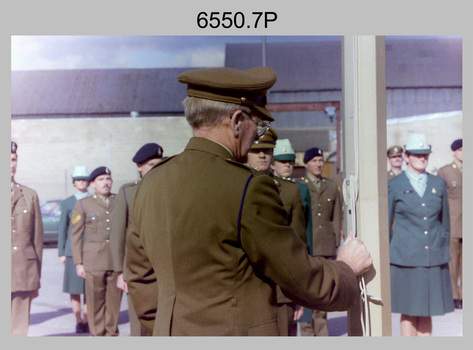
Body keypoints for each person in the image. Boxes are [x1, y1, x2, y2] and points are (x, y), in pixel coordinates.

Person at [126, 66, 372, 336]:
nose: (257, 134)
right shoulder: (248, 186)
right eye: (258, 123)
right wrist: (346, 268)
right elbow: (301, 279)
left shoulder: (151, 183)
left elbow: (140, 280)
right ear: (236, 120)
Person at [388, 134, 454, 336]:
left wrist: (440, 247)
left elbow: (445, 222)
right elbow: (386, 222)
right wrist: (394, 251)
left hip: (433, 257)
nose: (422, 159)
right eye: (417, 155)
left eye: (425, 154)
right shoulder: (395, 184)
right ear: (406, 157)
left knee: (428, 310)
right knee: (409, 311)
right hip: (406, 259)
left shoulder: (438, 183)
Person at [245, 129, 306, 336]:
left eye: (267, 150)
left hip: (281, 290)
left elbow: (298, 244)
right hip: (244, 289)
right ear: (246, 152)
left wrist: (300, 293)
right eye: (256, 150)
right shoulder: (232, 187)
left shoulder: (290, 191)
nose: (262, 155)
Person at [110, 143, 163, 336]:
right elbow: (117, 236)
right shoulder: (128, 192)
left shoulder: (169, 190)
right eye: (150, 165)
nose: (155, 168)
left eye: (159, 164)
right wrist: (119, 272)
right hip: (136, 272)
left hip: (164, 271)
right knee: (139, 326)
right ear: (139, 167)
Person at [70, 166, 122, 336]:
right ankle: (98, 336)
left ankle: (111, 335)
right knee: (95, 303)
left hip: (116, 261)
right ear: (92, 183)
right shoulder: (84, 204)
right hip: (94, 262)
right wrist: (78, 263)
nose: (106, 183)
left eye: (108, 179)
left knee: (114, 304)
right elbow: (76, 236)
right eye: (101, 179)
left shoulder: (119, 201)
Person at [297, 147, 343, 336]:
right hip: (306, 247)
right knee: (306, 292)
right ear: (306, 163)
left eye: (320, 160)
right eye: (314, 160)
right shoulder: (299, 186)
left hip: (325, 247)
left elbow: (337, 218)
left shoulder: (331, 186)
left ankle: (322, 333)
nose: (318, 164)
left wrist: (336, 244)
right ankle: (308, 333)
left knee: (323, 292)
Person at [11, 141, 44, 336]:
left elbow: (37, 240)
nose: (11, 164)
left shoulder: (29, 196)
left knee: (18, 331)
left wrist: (36, 278)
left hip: (23, 272)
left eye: (14, 159)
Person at [57, 166, 91, 334]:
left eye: (84, 179)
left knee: (88, 288)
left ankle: (87, 319)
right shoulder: (68, 203)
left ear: (88, 182)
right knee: (74, 288)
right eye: (78, 180)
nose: (81, 182)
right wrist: (62, 252)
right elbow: (63, 229)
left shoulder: (93, 199)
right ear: (74, 182)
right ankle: (79, 321)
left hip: (91, 250)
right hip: (71, 251)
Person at [437, 138, 462, 310]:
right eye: (460, 150)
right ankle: (455, 295)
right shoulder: (445, 172)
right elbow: (440, 201)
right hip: (453, 224)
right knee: (452, 262)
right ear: (454, 152)